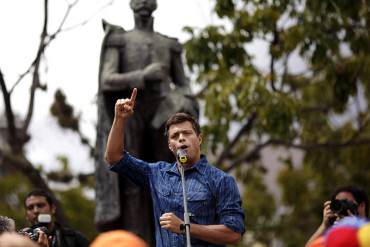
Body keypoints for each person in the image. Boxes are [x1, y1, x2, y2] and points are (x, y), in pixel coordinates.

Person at [95, 0, 198, 243]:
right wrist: (142, 75)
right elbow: (107, 80)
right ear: (131, 5)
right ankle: (135, 240)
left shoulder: (169, 44)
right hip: (132, 113)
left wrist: (178, 100)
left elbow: (184, 86)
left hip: (163, 114)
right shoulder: (119, 39)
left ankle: (169, 238)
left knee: (169, 178)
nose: (143, 5)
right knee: (131, 179)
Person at [104, 88, 245, 246]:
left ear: (199, 139)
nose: (181, 139)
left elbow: (234, 233)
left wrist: (185, 227)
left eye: (187, 133)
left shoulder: (221, 180)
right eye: (175, 136)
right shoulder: (157, 173)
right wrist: (119, 119)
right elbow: (114, 157)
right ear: (170, 146)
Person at [22, 189, 89, 247]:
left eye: (40, 205)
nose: (36, 211)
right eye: (30, 208)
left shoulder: (75, 238)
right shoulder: (20, 240)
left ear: (53, 208)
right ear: (26, 215)